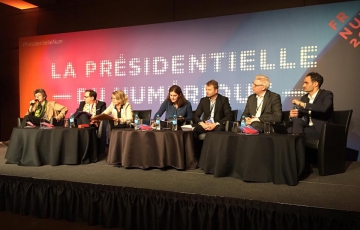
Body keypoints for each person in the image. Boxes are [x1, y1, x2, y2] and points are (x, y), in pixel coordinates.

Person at [289, 72, 333, 139]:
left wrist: (302, 104)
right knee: (294, 124)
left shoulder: (326, 94)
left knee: (292, 131)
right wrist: (293, 115)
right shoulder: (304, 98)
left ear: (315, 84)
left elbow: (323, 108)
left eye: (306, 83)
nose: (303, 85)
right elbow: (301, 115)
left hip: (320, 129)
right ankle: (298, 147)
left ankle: (296, 147)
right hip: (307, 127)